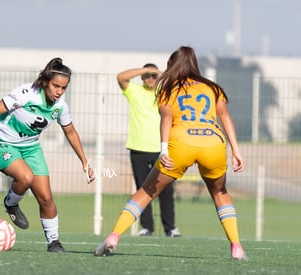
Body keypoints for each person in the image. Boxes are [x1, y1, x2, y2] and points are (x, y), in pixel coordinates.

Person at [95, 46, 247, 260]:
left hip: (181, 144)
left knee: (146, 191)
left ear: (170, 65)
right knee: (220, 193)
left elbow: (166, 118)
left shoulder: (168, 88)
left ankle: (113, 237)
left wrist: (164, 148)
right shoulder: (212, 88)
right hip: (213, 144)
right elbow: (225, 116)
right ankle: (236, 246)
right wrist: (236, 151)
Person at [0, 57, 95, 253]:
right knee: (26, 177)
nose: (59, 92)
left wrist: (85, 162)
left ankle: (53, 242)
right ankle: (11, 203)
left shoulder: (60, 106)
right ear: (46, 81)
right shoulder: (25, 94)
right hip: (0, 143)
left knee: (46, 197)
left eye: (64, 88)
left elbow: (70, 132)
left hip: (30, 148)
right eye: (56, 86)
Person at [117, 63, 180, 237]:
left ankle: (170, 228)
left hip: (162, 149)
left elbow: (175, 81)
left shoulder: (165, 93)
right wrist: (145, 70)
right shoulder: (134, 90)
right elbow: (121, 76)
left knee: (166, 190)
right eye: (147, 76)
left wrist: (160, 75)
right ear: (142, 77)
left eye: (154, 76)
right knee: (143, 189)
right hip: (138, 148)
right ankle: (147, 227)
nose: (151, 79)